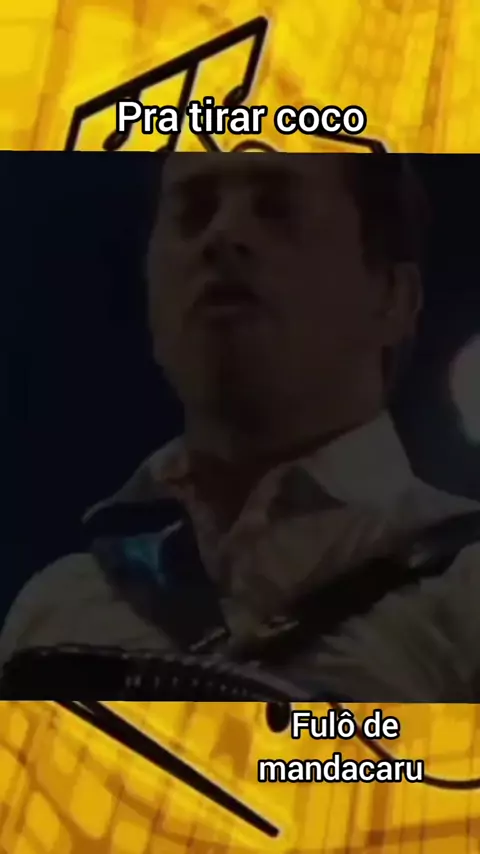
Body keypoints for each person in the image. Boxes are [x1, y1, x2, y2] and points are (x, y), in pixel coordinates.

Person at [2, 153, 480, 701]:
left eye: (277, 208)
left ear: (394, 297)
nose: (223, 234)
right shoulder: (54, 613)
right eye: (193, 212)